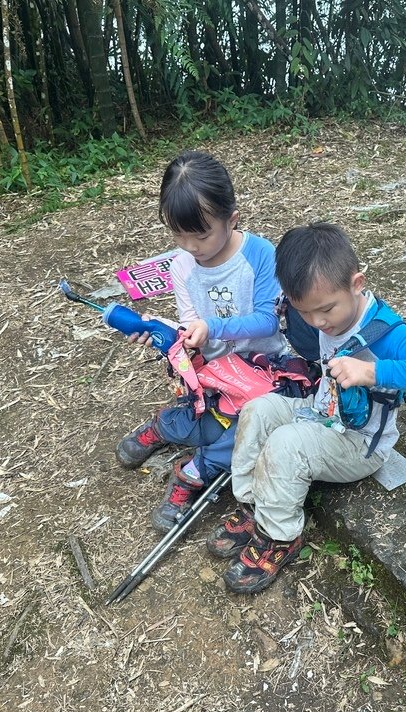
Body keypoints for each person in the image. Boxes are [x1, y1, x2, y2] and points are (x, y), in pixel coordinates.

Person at [205, 223, 406, 594]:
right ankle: (252, 504)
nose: (318, 322)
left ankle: (280, 536)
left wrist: (371, 371)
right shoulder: (320, 311)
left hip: (360, 442)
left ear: (357, 284)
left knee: (288, 444)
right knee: (258, 410)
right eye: (306, 312)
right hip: (322, 411)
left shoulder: (382, 331)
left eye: (325, 310)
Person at [115, 150, 285, 533]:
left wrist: (210, 327)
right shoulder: (182, 265)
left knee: (252, 426)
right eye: (178, 234)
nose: (191, 246)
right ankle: (164, 427)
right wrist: (175, 342)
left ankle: (192, 471)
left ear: (232, 219)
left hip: (262, 368)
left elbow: (267, 319)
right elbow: (192, 328)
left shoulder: (259, 255)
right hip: (214, 371)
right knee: (201, 409)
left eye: (202, 234)